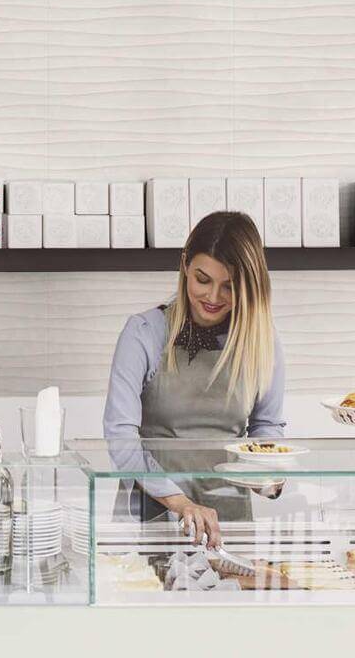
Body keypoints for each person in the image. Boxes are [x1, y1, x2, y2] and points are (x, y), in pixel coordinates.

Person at [102, 211, 286, 547]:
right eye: (203, 279)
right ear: (185, 264)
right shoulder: (144, 333)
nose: (213, 297)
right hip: (152, 519)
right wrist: (180, 503)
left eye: (230, 286)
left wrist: (267, 472)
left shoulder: (262, 338)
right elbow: (121, 437)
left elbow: (266, 426)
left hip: (229, 527)